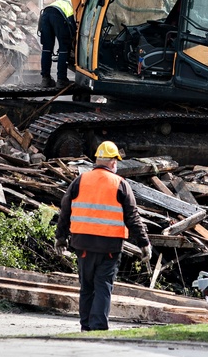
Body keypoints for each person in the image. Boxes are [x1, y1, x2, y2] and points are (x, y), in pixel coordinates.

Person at [55, 141, 152, 331]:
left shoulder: (80, 180)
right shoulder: (120, 184)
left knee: (87, 287)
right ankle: (98, 328)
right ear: (114, 162)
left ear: (97, 160)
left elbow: (65, 209)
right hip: (109, 246)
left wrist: (61, 237)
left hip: (83, 244)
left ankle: (86, 327)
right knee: (103, 286)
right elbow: (132, 217)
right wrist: (144, 243)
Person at [38, 0, 77, 88]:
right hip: (59, 15)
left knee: (47, 49)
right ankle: (61, 80)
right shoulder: (77, 5)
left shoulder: (66, 0)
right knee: (64, 48)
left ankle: (45, 79)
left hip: (46, 13)